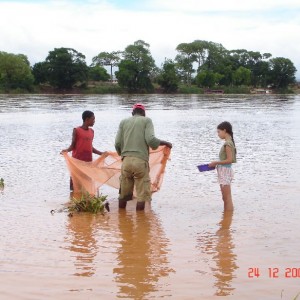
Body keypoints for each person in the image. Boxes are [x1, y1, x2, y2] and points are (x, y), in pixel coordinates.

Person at [115, 103, 172, 211]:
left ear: (132, 113)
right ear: (144, 113)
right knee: (141, 196)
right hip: (140, 162)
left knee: (123, 195)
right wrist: (166, 143)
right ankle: (141, 223)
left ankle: (121, 221)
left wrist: (122, 155)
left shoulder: (123, 122)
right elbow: (151, 140)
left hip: (126, 162)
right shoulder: (147, 121)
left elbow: (117, 143)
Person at [61, 110, 105, 190]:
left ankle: (84, 200)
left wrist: (101, 153)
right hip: (77, 162)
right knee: (74, 184)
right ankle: (73, 199)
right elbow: (72, 145)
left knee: (87, 183)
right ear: (87, 119)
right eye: (93, 119)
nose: (94, 121)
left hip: (88, 162)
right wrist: (66, 150)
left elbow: (90, 147)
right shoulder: (76, 130)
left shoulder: (91, 131)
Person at [209, 121, 236, 211]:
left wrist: (216, 162)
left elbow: (229, 160)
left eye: (219, 132)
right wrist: (216, 164)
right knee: (225, 197)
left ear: (224, 130)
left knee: (227, 198)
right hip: (224, 171)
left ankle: (227, 219)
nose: (218, 134)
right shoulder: (229, 142)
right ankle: (227, 218)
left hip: (225, 172)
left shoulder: (227, 144)